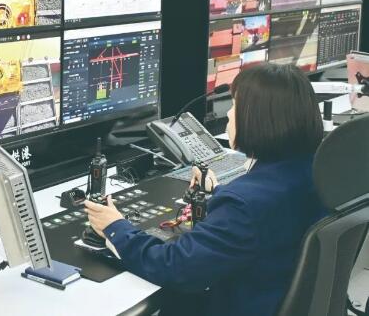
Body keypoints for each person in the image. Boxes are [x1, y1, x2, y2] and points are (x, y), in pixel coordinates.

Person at [85, 63, 326, 316]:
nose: (229, 114)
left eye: (235, 105)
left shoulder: (243, 205)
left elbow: (175, 267)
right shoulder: (316, 171)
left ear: (258, 119)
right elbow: (263, 218)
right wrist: (218, 192)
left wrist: (115, 227)